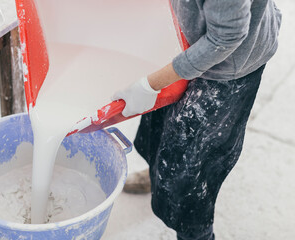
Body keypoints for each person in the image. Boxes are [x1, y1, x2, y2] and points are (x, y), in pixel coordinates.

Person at [112, 0, 282, 239]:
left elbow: (225, 39)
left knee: (190, 170)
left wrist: (150, 85)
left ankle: (196, 233)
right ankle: (157, 177)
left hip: (229, 66)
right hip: (190, 30)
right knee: (159, 131)